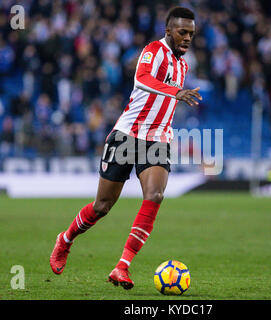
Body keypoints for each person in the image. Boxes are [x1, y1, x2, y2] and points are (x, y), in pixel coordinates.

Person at [50, 7, 202, 290]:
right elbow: (142, 80)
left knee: (154, 195)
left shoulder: (183, 65)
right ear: (168, 30)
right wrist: (175, 92)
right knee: (102, 206)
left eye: (191, 33)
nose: (187, 38)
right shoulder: (153, 51)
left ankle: (122, 266)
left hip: (157, 140)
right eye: (182, 32)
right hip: (126, 136)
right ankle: (65, 240)